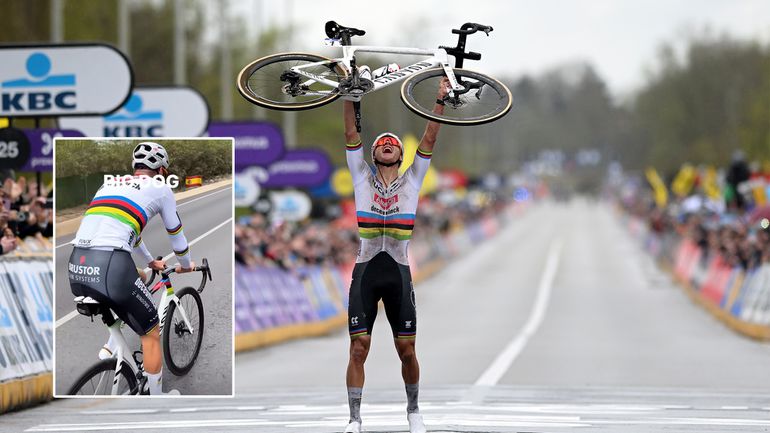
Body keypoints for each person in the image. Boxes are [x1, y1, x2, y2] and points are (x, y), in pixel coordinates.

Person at [342, 78, 449, 433]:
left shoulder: (413, 180)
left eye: (393, 144)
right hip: (366, 272)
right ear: (373, 155)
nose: (387, 145)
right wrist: (348, 97)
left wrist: (439, 102)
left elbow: (430, 138)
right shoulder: (360, 177)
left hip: (399, 272)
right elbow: (351, 136)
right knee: (359, 348)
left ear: (401, 155)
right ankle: (355, 419)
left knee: (407, 352)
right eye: (381, 144)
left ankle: (414, 411)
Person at [68, 141, 194, 395]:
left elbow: (129, 234)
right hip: (111, 267)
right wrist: (186, 264)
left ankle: (111, 344)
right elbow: (176, 235)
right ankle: (157, 402)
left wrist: (150, 261)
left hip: (76, 265)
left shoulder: (109, 184)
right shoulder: (161, 188)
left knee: (135, 278)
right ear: (161, 170)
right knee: (151, 332)